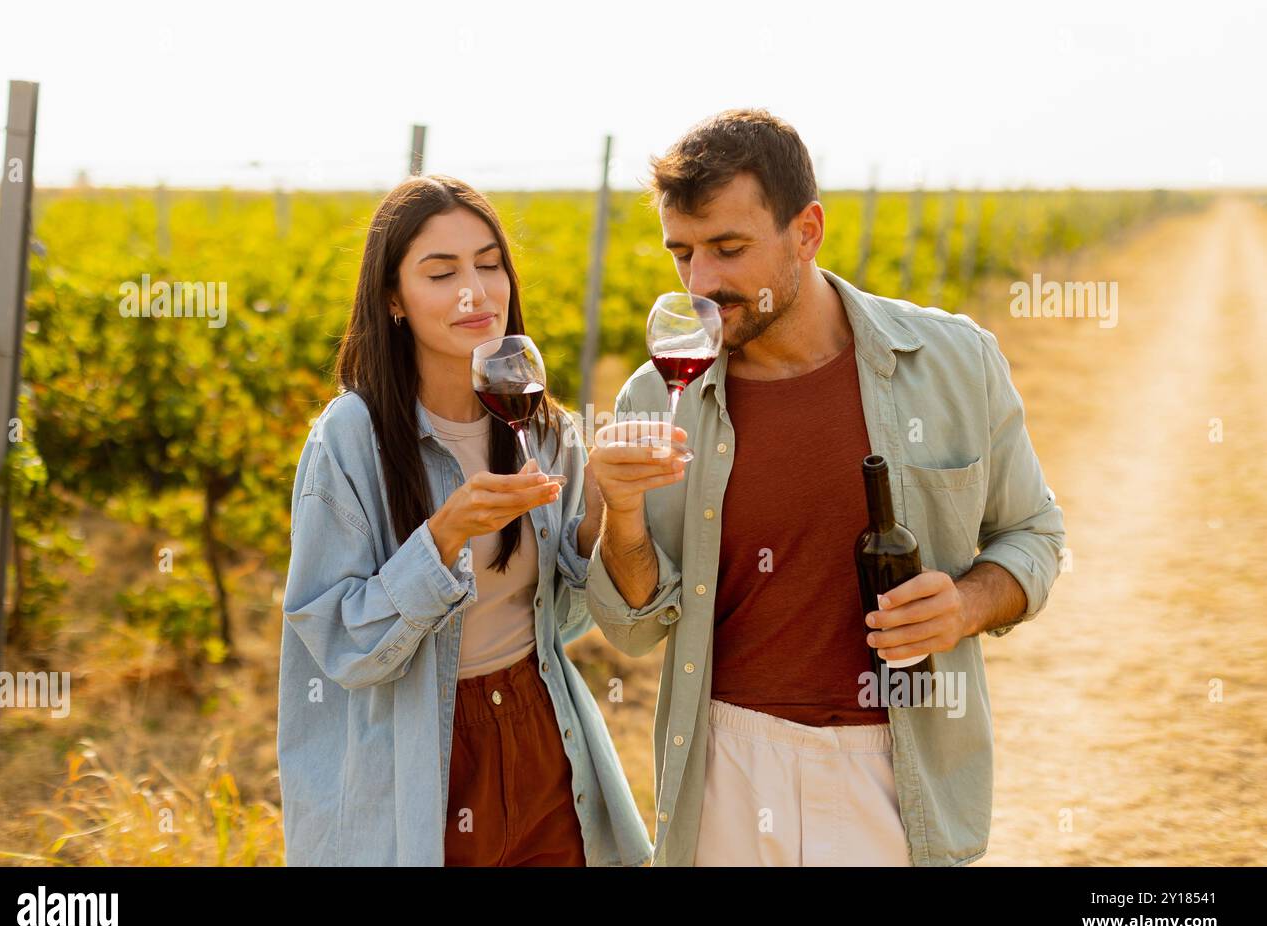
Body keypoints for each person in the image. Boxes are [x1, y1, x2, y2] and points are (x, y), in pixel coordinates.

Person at [586, 109, 1067, 866]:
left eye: (728, 248)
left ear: (806, 232)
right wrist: (620, 516)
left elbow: (1035, 534)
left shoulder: (954, 362)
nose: (701, 282)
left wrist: (966, 605)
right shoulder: (656, 399)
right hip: (727, 771)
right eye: (681, 254)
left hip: (895, 766)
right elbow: (635, 629)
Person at [277, 174, 652, 867]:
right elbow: (337, 644)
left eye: (488, 263)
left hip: (540, 732)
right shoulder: (349, 440)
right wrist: (443, 537)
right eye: (441, 272)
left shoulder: (541, 426)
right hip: (415, 754)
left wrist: (607, 501)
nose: (474, 291)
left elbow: (564, 615)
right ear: (394, 299)